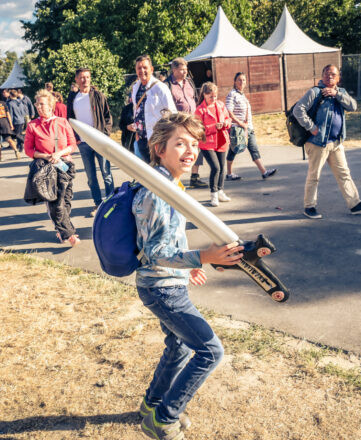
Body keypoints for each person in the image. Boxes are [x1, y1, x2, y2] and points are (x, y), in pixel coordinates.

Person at [133, 111, 244, 440]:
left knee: (180, 347)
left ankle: (151, 404)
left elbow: (167, 240)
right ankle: (162, 419)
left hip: (168, 283)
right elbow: (152, 252)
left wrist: (191, 264)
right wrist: (205, 256)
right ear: (159, 148)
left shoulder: (170, 185)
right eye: (180, 143)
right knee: (210, 351)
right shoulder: (157, 192)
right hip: (161, 289)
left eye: (194, 144)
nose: (190, 150)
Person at [294, 64, 361, 218]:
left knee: (344, 173)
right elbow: (298, 110)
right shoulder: (315, 92)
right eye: (326, 74)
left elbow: (353, 106)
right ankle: (309, 207)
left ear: (338, 78)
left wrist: (336, 94)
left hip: (336, 143)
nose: (329, 76)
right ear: (322, 76)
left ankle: (355, 204)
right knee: (314, 175)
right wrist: (311, 127)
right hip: (317, 142)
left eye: (333, 74)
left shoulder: (341, 92)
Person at [24, 89, 80, 247]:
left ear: (50, 105)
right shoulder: (32, 125)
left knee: (66, 198)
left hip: (64, 165)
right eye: (37, 104)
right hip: (46, 168)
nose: (38, 107)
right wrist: (45, 156)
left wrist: (59, 153)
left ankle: (62, 227)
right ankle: (69, 234)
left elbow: (72, 144)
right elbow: (28, 150)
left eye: (42, 104)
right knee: (55, 201)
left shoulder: (62, 122)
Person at [67, 67, 114, 217]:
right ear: (76, 79)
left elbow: (108, 117)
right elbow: (70, 120)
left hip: (99, 140)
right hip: (84, 143)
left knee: (106, 173)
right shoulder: (73, 98)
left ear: (90, 78)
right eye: (81, 77)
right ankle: (98, 204)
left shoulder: (98, 95)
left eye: (87, 77)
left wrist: (105, 135)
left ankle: (111, 202)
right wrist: (76, 138)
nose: (84, 80)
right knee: (91, 176)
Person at [225, 72, 277, 181]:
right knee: (234, 150)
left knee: (251, 149)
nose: (241, 82)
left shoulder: (242, 95)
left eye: (243, 80)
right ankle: (229, 174)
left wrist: (248, 126)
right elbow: (228, 112)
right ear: (234, 82)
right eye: (239, 80)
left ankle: (264, 172)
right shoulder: (232, 94)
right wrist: (240, 123)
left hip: (247, 128)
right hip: (238, 128)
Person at [165, 57, 207, 189]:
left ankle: (195, 176)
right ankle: (175, 179)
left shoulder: (189, 82)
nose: (185, 73)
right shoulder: (168, 84)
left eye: (186, 70)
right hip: (178, 124)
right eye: (182, 70)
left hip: (192, 121)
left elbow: (194, 98)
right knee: (179, 151)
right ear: (174, 70)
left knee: (195, 147)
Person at [129, 54, 177, 163]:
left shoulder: (160, 88)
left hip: (157, 139)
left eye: (145, 67)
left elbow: (172, 113)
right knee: (149, 171)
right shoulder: (136, 87)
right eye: (139, 68)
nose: (142, 70)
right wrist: (137, 129)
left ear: (151, 69)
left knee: (161, 170)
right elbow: (136, 110)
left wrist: (167, 137)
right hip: (142, 139)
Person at [195, 82, 231, 207]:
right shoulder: (200, 110)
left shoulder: (220, 105)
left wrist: (225, 124)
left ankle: (220, 191)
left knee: (222, 167)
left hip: (221, 139)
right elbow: (198, 130)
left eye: (215, 96)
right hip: (207, 143)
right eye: (211, 96)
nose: (213, 99)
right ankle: (213, 194)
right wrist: (214, 127)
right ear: (204, 95)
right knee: (215, 168)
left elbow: (228, 119)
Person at [0, 89, 21, 161]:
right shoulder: (3, 103)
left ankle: (0, 156)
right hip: (5, 123)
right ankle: (16, 151)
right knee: (9, 139)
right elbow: (8, 114)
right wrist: (11, 124)